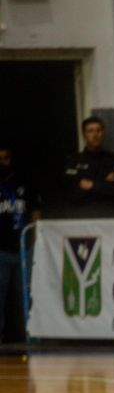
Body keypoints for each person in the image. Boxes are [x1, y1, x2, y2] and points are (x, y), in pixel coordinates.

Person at [0, 146, 40, 342]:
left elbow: (35, 213)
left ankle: (32, 336)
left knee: (27, 296)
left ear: (11, 159)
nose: (2, 162)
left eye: (5, 158)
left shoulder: (24, 183)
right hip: (1, 252)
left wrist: (35, 242)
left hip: (24, 251)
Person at [63, 116, 114, 218]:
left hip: (109, 217)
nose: (95, 135)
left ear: (103, 133)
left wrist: (92, 185)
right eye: (90, 131)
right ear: (84, 135)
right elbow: (71, 192)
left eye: (99, 130)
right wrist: (105, 182)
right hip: (82, 217)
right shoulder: (73, 161)